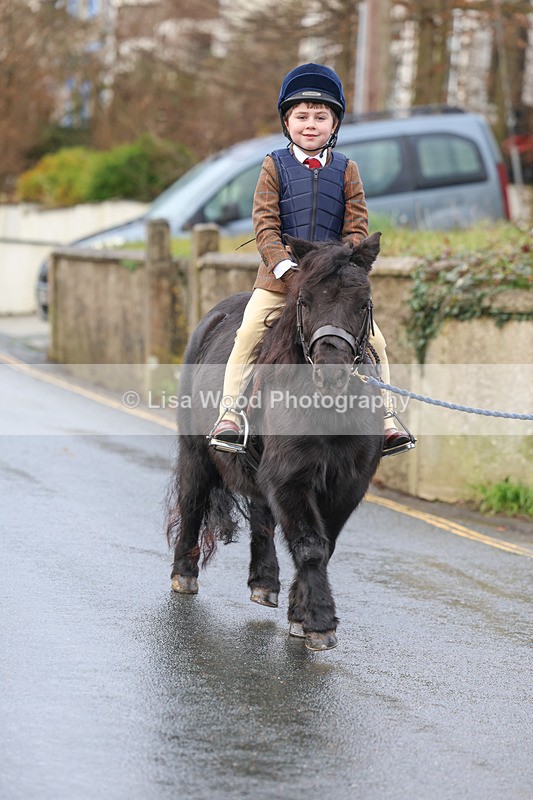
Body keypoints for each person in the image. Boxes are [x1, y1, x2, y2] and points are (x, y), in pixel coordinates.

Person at [209, 62, 414, 456]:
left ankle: (387, 419)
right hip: (279, 278)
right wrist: (285, 266)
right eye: (301, 116)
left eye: (321, 117)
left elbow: (357, 225)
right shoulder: (273, 165)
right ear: (287, 121)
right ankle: (231, 414)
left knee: (378, 342)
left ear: (334, 124)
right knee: (247, 334)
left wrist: (342, 263)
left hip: (333, 284)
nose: (310, 124)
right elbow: (265, 225)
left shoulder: (347, 169)